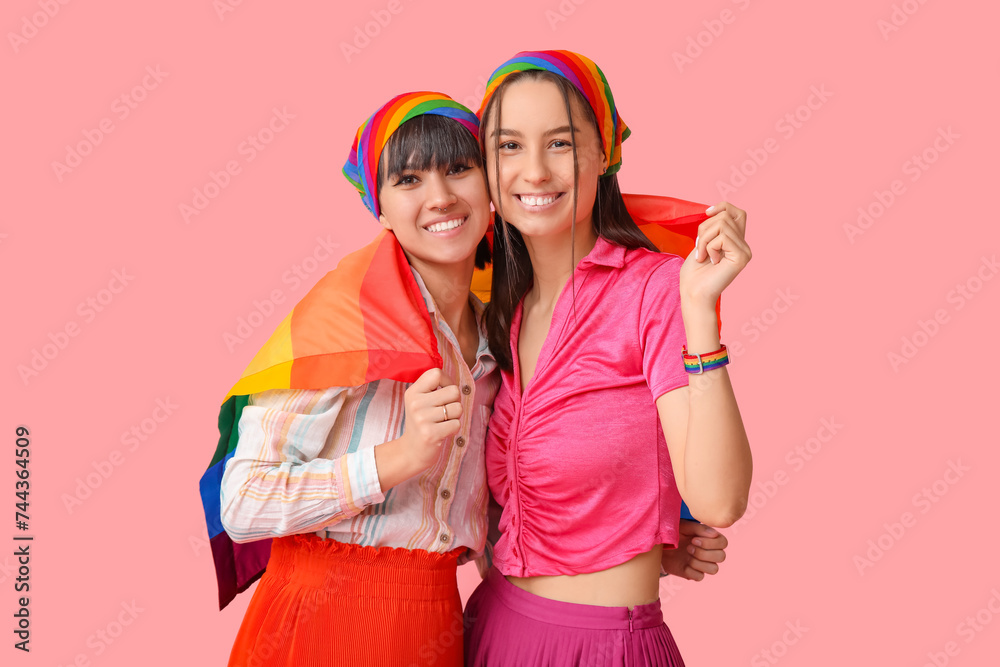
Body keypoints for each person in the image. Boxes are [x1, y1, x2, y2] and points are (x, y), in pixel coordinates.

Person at [463, 50, 754, 666]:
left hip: (604, 648)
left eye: (561, 143)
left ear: (604, 155)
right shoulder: (499, 311)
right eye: (509, 146)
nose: (534, 171)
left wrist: (700, 311)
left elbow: (720, 501)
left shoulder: (656, 289)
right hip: (491, 631)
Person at [201, 92, 498, 667]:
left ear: (490, 187)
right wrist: (401, 457)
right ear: (380, 208)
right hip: (321, 623)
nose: (440, 196)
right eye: (409, 180)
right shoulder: (343, 321)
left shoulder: (501, 340)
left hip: (435, 623)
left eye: (460, 168)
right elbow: (242, 502)